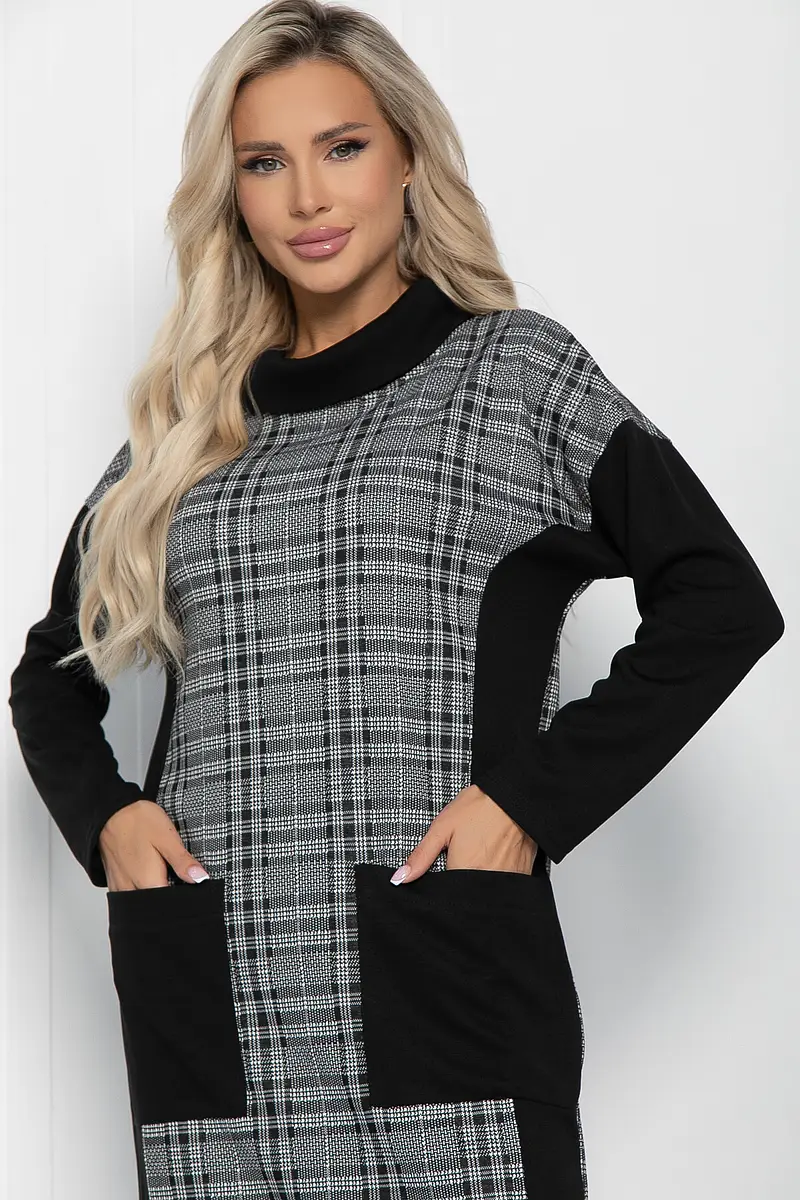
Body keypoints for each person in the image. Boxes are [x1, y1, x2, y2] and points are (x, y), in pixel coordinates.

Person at [7, 2, 785, 1197]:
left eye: (342, 147)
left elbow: (721, 602)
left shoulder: (512, 372)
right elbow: (51, 671)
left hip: (444, 976)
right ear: (232, 194)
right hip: (213, 1003)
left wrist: (528, 802)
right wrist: (106, 818)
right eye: (264, 163)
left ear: (407, 157)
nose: (307, 198)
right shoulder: (191, 429)